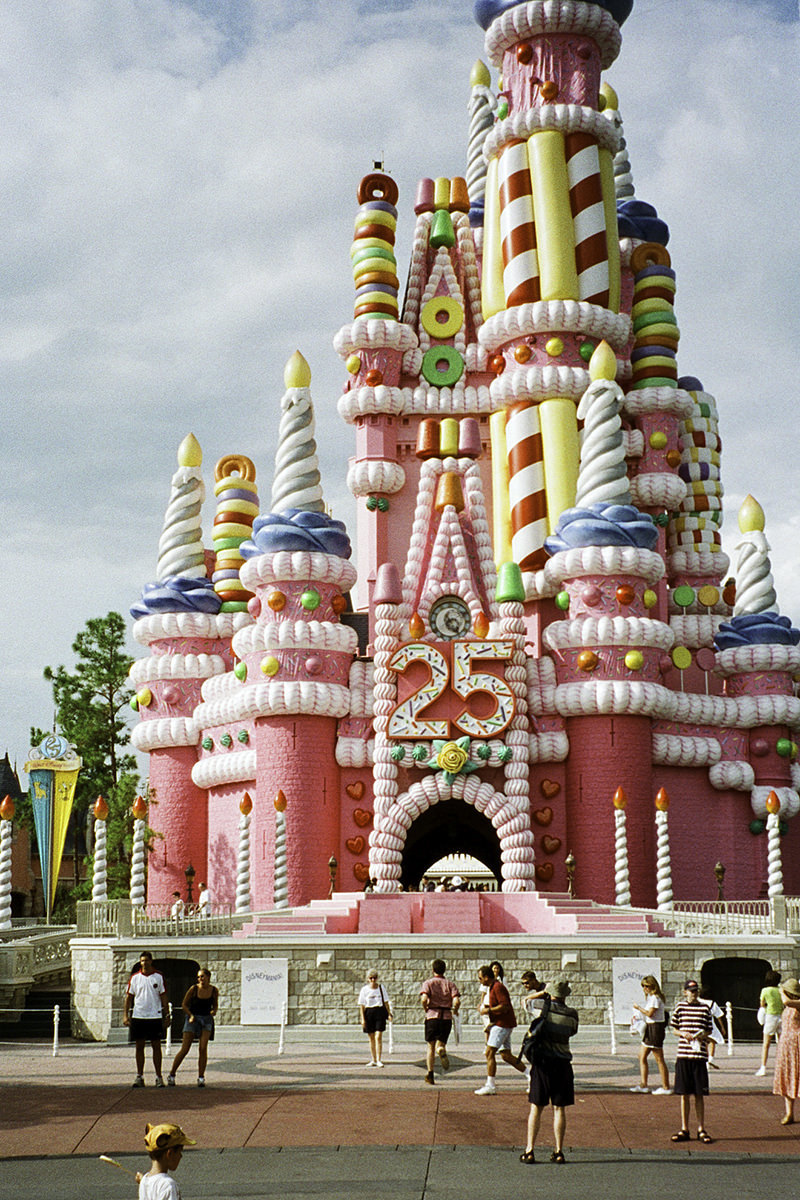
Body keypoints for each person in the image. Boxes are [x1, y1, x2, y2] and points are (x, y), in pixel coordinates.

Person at [519, 979, 579, 1164]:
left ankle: (530, 1150)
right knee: (559, 1109)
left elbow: (525, 1002)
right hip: (563, 1064)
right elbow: (572, 1032)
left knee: (536, 1108)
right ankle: (558, 1150)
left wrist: (540, 994)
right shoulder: (572, 1015)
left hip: (543, 1063)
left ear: (551, 993)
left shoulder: (541, 1009)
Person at [670, 978, 714, 1143]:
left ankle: (701, 1128)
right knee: (684, 1094)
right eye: (691, 990)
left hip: (699, 1055)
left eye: (696, 991)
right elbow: (674, 1028)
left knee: (699, 1094)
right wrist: (683, 1033)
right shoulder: (680, 1007)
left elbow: (709, 1029)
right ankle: (685, 1128)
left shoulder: (704, 1008)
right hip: (684, 1054)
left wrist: (702, 1035)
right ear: (685, 992)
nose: (694, 994)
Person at [475, 964, 526, 1094]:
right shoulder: (493, 987)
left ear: (486, 977)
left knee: (489, 1053)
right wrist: (485, 1008)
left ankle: (490, 1085)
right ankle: (530, 1075)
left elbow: (505, 1006)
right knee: (506, 1055)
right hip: (503, 1024)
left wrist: (488, 1010)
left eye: (480, 978)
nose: (479, 980)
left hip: (502, 1024)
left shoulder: (498, 987)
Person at [167, 966, 219, 1088]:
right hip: (193, 1018)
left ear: (208, 977)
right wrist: (190, 1015)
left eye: (202, 976)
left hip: (206, 1019)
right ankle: (172, 1073)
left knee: (203, 1048)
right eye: (198, 977)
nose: (200, 979)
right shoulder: (193, 989)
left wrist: (214, 1011)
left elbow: (215, 1005)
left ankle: (201, 1077)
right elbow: (184, 1004)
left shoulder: (214, 990)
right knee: (185, 1048)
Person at [124, 951, 169, 1088]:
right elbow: (129, 997)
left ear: (151, 961)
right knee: (139, 1046)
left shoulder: (158, 977)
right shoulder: (135, 978)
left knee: (156, 1046)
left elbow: (163, 996)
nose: (145, 963)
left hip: (154, 1016)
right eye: (142, 961)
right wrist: (125, 1015)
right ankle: (139, 1076)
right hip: (139, 1016)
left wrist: (167, 1015)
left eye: (147, 960)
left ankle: (158, 1076)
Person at [420, 958, 460, 1085]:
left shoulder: (428, 983)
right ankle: (441, 1049)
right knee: (441, 1043)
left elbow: (424, 998)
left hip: (432, 1015)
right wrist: (455, 1010)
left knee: (430, 1046)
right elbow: (456, 1001)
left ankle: (430, 1074)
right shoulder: (450, 984)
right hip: (446, 1017)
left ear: (433, 970)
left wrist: (425, 1007)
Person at [630, 975, 671, 1094]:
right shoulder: (652, 998)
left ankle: (665, 1086)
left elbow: (650, 1013)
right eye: (643, 986)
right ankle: (644, 1084)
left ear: (653, 986)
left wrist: (639, 1008)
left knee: (659, 1058)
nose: (645, 988)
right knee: (641, 1056)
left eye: (647, 986)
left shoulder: (655, 998)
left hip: (655, 1029)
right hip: (650, 1028)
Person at [135, 1121, 195, 1199]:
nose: (181, 1156)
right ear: (169, 1154)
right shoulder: (168, 1185)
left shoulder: (145, 1180)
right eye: (179, 1152)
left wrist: (142, 1180)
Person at [772, 976, 800, 1124]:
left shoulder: (796, 1003)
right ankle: (789, 1113)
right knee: (788, 1076)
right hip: (786, 1043)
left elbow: (787, 1001)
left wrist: (781, 991)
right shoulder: (788, 1007)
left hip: (797, 1043)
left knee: (798, 1075)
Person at [358, 967, 392, 1067]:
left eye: (375, 978)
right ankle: (373, 1059)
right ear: (368, 979)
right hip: (369, 1012)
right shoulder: (364, 990)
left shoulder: (381, 988)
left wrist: (389, 1013)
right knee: (371, 1037)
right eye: (371, 978)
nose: (373, 980)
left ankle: (379, 1059)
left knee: (378, 1036)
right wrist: (362, 1019)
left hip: (379, 1012)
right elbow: (362, 1005)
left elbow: (386, 1002)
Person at [757, 969, 784, 1075]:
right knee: (781, 1043)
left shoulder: (765, 990)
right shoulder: (781, 990)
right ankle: (782, 1066)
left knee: (766, 1044)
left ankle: (763, 1067)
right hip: (781, 1015)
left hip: (770, 1016)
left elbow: (762, 1004)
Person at [698, 986, 726, 1068]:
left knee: (703, 1041)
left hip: (699, 1023)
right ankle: (710, 1059)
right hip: (709, 1023)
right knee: (712, 1041)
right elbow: (719, 1016)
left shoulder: (698, 1001)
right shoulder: (712, 1003)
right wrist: (722, 1027)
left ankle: (704, 1059)